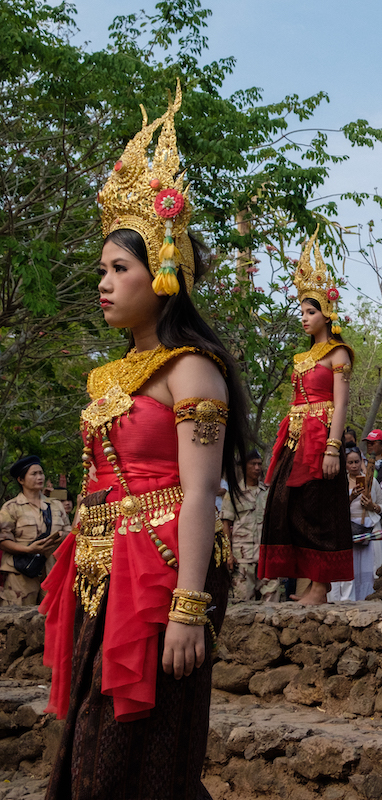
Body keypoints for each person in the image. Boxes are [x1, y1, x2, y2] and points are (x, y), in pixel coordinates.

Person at [39, 82, 249, 798]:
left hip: (163, 569)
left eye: (118, 269)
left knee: (140, 753)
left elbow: (200, 493)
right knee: (94, 745)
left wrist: (190, 606)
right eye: (102, 268)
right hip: (105, 562)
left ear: (164, 273)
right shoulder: (110, 373)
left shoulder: (191, 369)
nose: (103, 282)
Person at [259, 228, 355, 605]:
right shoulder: (301, 359)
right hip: (296, 438)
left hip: (321, 440)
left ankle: (321, 587)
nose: (304, 318)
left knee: (319, 508)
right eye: (301, 311)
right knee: (287, 503)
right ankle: (307, 583)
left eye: (310, 311)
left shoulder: (339, 354)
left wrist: (333, 447)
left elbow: (342, 404)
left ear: (326, 313)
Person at [1, 455, 68, 606]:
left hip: (52, 572)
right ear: (21, 480)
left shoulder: (56, 505)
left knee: (52, 618)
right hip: (21, 575)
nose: (40, 477)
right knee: (18, 622)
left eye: (41, 473)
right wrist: (28, 549)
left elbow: (69, 532)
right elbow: (3, 540)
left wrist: (64, 535)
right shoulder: (11, 507)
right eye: (34, 474)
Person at [219, 450, 281, 602]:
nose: (257, 468)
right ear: (243, 467)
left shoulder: (268, 492)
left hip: (267, 558)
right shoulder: (234, 494)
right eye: (253, 464)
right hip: (242, 559)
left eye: (259, 464)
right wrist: (228, 554)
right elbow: (226, 524)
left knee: (272, 604)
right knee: (243, 603)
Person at [331, 447, 382, 601]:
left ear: (362, 462)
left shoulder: (372, 482)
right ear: (345, 465)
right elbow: (335, 509)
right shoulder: (340, 483)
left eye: (357, 462)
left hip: (369, 526)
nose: (354, 465)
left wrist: (372, 506)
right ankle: (348, 600)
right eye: (350, 463)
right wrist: (350, 498)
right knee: (350, 568)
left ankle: (369, 598)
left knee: (370, 568)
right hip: (348, 529)